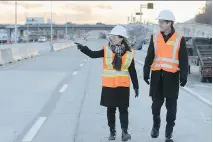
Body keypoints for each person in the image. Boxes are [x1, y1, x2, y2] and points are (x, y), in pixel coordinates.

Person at [76, 25, 139, 141]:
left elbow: (132, 70)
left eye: (115, 37)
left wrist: (136, 86)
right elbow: (93, 54)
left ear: (122, 38)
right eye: (111, 36)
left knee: (123, 110)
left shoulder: (129, 53)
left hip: (123, 86)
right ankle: (112, 132)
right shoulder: (106, 50)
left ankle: (125, 132)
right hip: (109, 86)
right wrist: (83, 48)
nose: (112, 38)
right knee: (111, 110)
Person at [143, 10, 188, 142]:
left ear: (170, 23)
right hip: (157, 77)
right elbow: (149, 56)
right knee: (155, 107)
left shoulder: (179, 38)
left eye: (162, 22)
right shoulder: (155, 37)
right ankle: (156, 126)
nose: (160, 24)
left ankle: (169, 133)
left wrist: (183, 76)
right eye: (159, 21)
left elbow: (183, 59)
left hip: (172, 78)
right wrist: (146, 72)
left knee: (171, 110)